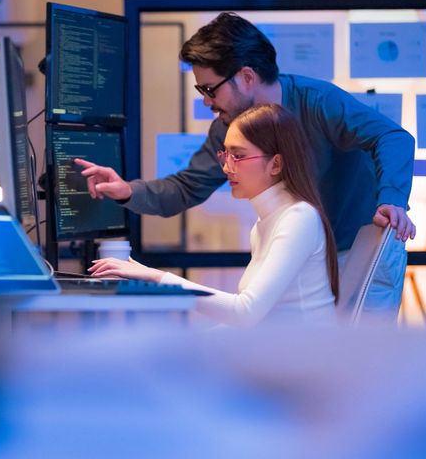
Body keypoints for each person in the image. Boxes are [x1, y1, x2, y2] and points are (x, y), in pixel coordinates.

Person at [75, 12, 416, 318]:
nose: (206, 101)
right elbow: (188, 186)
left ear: (247, 77)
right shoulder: (229, 128)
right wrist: (127, 191)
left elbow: (392, 137)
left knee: (359, 355)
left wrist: (391, 200)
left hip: (358, 245)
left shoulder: (319, 103)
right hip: (312, 255)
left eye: (210, 89)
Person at [89, 104, 338, 326]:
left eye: (238, 156)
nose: (227, 167)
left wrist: (155, 276)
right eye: (225, 155)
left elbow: (244, 312)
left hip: (302, 358)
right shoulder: (268, 222)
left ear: (276, 164)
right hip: (278, 351)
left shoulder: (298, 218)